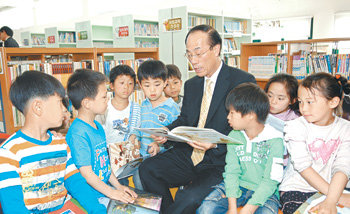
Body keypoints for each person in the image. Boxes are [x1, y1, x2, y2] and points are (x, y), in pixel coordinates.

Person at [139, 24, 256, 213]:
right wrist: (167, 132)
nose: (193, 60)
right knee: (148, 170)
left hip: (221, 161)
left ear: (216, 49)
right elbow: (186, 118)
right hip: (190, 154)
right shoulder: (192, 84)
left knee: (188, 197)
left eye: (198, 53)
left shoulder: (241, 81)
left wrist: (215, 144)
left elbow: (249, 129)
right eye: (189, 54)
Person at [0, 70, 106, 213]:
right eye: (59, 103)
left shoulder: (60, 143)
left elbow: (75, 182)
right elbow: (13, 207)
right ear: (38, 107)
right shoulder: (9, 153)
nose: (64, 110)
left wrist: (97, 210)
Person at [197, 83, 284, 214]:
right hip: (237, 187)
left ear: (250, 115)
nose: (228, 117)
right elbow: (232, 172)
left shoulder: (275, 139)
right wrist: (232, 208)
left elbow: (271, 181)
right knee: (206, 209)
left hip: (265, 192)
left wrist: (248, 209)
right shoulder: (234, 136)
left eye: (232, 113)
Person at [279, 72, 350, 214]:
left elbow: (343, 166)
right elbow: (303, 167)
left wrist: (332, 198)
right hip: (298, 189)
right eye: (300, 102)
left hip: (335, 188)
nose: (303, 108)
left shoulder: (345, 128)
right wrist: (335, 198)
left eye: (309, 102)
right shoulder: (295, 127)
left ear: (333, 102)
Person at [66, 69, 137, 208]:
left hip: (104, 191)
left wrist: (118, 187)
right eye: (104, 97)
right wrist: (112, 192)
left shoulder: (97, 125)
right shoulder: (78, 133)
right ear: (87, 103)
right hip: (93, 197)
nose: (108, 100)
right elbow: (87, 174)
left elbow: (105, 164)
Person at [96, 65, 141, 182]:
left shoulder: (136, 108)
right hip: (108, 156)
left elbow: (139, 132)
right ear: (111, 85)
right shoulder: (104, 108)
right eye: (121, 83)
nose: (126, 87)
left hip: (129, 156)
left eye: (130, 83)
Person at [137, 60, 180, 158]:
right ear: (140, 85)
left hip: (163, 159)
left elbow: (176, 140)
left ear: (165, 83)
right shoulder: (142, 106)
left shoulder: (173, 108)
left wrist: (160, 147)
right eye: (147, 85)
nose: (152, 90)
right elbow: (137, 129)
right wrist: (134, 137)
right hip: (140, 158)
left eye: (157, 84)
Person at [264, 73, 300, 166]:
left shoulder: (295, 120)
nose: (273, 101)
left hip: (282, 166)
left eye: (280, 98)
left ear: (292, 100)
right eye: (269, 96)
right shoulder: (260, 112)